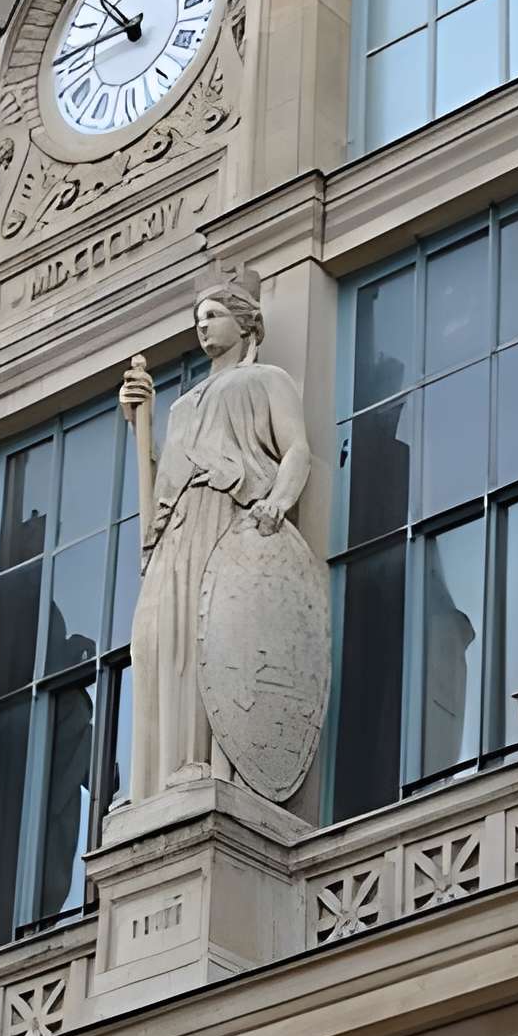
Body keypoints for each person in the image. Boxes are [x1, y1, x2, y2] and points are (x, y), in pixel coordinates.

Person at [120, 265, 311, 793]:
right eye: (198, 318)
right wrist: (143, 423)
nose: (202, 327)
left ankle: (210, 763)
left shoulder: (266, 381)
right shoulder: (182, 407)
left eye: (213, 315)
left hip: (228, 522)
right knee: (160, 639)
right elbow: (162, 486)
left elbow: (296, 449)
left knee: (214, 636)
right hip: (180, 530)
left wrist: (278, 501)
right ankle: (162, 771)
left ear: (244, 322)